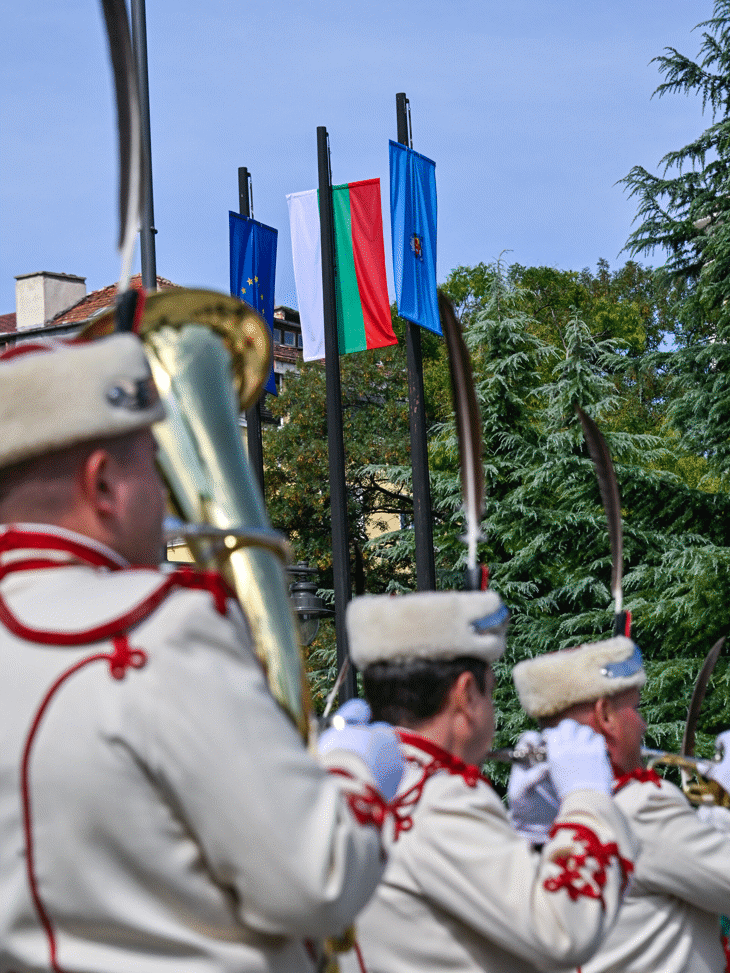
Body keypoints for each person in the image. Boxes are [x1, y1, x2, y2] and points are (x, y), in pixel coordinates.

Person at [0, 334, 400, 973]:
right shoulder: (162, 625)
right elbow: (315, 878)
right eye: (152, 466)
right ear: (103, 484)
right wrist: (355, 772)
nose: (165, 498)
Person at [339, 589, 638, 973]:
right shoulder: (440, 795)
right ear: (465, 695)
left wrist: (533, 834)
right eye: (491, 694)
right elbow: (563, 930)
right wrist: (586, 797)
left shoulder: (367, 781)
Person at [511, 636, 730, 973]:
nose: (642, 724)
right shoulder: (640, 805)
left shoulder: (551, 810)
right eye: (636, 707)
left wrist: (714, 813)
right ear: (606, 716)